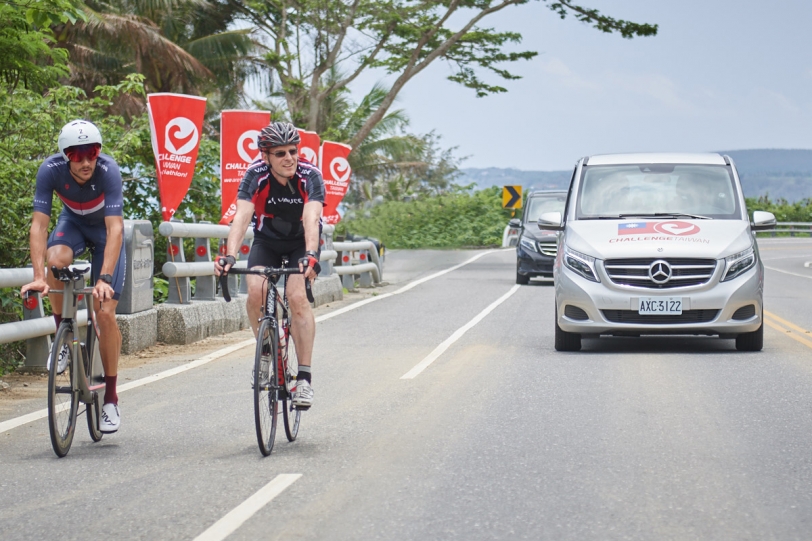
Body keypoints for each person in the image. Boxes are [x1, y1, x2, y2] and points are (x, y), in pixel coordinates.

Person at [21, 120, 125, 433]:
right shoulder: (50, 170)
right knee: (56, 260)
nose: (85, 161)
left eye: (91, 152)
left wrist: (104, 278)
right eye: (77, 155)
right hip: (73, 224)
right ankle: (62, 336)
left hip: (105, 233)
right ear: (66, 156)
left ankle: (110, 398)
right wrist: (39, 276)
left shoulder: (109, 171)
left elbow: (115, 228)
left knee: (104, 313)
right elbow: (39, 226)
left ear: (99, 152)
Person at [214, 121, 324, 409]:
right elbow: (241, 216)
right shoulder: (255, 174)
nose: (289, 158)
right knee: (255, 292)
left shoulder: (310, 175)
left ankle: (304, 379)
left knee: (297, 298)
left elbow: (312, 218)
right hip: (267, 240)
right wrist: (230, 256)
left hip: (302, 243)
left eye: (293, 151)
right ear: (265, 156)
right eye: (280, 154)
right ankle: (265, 352)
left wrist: (311, 254)